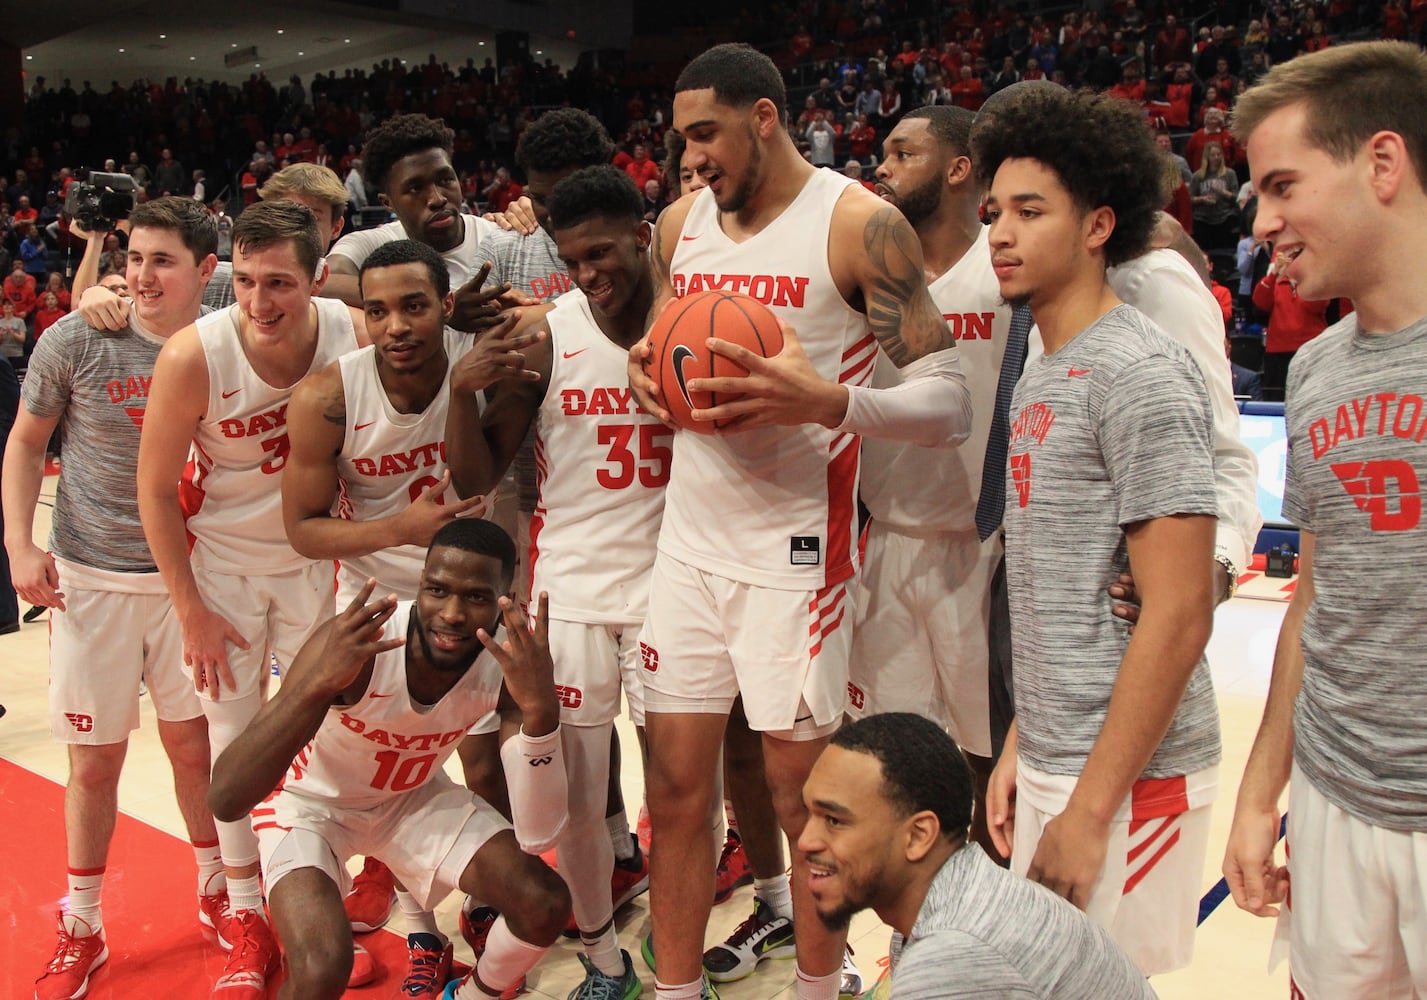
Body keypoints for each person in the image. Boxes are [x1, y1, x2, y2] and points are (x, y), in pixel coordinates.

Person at [626, 43, 972, 1000]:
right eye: (681, 138)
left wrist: (828, 402)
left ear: (765, 118)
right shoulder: (678, 226)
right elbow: (664, 346)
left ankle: (825, 986)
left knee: (804, 802)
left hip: (797, 559)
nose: (691, 157)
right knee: (674, 791)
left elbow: (950, 404)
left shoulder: (860, 226)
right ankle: (675, 988)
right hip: (686, 548)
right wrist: (647, 376)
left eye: (706, 134)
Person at [975, 86, 1220, 976]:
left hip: (1129, 780)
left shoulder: (1140, 372)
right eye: (992, 212)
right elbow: (1057, 588)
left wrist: (1086, 809)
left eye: (1028, 211)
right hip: (1055, 751)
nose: (998, 233)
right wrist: (1018, 746)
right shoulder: (1046, 372)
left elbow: (1181, 612)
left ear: (1096, 225)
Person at [1221, 41, 1427, 999]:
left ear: (1379, 163)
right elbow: (1317, 592)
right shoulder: (1315, 371)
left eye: (1280, 185)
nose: (1261, 222)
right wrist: (1262, 790)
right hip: (1336, 803)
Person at [136, 200, 365, 999]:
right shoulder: (193, 355)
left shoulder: (351, 329)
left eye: (280, 284)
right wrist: (189, 609)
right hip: (225, 574)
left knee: (331, 739)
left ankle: (324, 895)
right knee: (235, 745)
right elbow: (155, 492)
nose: (260, 303)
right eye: (244, 282)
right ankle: (244, 913)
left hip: (317, 563)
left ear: (317, 279)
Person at [447, 165, 666, 1000]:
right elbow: (480, 471)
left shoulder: (696, 318)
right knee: (575, 798)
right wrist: (463, 397)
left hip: (670, 591)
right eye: (571, 260)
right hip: (569, 590)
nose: (587, 274)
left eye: (601, 253)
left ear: (642, 236)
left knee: (681, 790)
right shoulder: (545, 335)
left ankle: (673, 953)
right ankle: (603, 956)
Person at [2, 197, 225, 1000]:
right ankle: (84, 923)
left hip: (191, 584)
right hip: (91, 578)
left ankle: (220, 890)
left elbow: (311, 273)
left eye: (162, 260)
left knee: (195, 750)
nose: (139, 276)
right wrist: (20, 544)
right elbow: (27, 443)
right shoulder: (75, 337)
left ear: (206, 270)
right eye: (132, 258)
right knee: (94, 764)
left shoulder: (227, 324)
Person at [207, 523, 572, 1000]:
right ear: (419, 582)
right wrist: (318, 684)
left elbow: (539, 832)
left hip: (408, 797)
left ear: (507, 596)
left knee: (545, 903)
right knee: (321, 968)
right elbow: (226, 797)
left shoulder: (509, 664)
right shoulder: (359, 642)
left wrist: (541, 712)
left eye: (477, 597)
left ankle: (471, 996)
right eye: (437, 590)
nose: (453, 613)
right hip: (311, 807)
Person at [849, 106, 1011, 863]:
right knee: (897, 759)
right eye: (882, 152)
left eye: (902, 152)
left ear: (958, 169)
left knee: (989, 763)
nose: (882, 165)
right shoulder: (870, 273)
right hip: (886, 540)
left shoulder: (1005, 269)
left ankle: (992, 930)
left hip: (983, 548)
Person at [800, 713, 1156, 998]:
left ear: (919, 835)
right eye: (810, 814)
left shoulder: (949, 962)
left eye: (834, 820)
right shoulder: (963, 894)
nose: (805, 842)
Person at [325, 113, 502, 319]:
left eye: (445, 180)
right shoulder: (374, 243)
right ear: (387, 202)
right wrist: (441, 306)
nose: (437, 199)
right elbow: (322, 282)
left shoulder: (497, 235)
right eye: (416, 188)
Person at [1252, 246, 1348, 401]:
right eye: (1290, 258)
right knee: (1276, 398)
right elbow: (1260, 302)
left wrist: (1304, 279)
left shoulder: (1314, 284)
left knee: (1312, 397)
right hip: (1277, 351)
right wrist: (1274, 273)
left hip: (1310, 349)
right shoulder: (1276, 283)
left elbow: (1317, 306)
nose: (1292, 261)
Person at [1189, 142, 1240, 251]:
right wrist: (1202, 199)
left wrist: (1223, 192)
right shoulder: (1198, 176)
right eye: (1213, 155)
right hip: (1202, 219)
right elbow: (1190, 199)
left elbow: (1237, 199)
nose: (1216, 157)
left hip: (1225, 217)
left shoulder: (1230, 174)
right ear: (1207, 157)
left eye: (1218, 154)